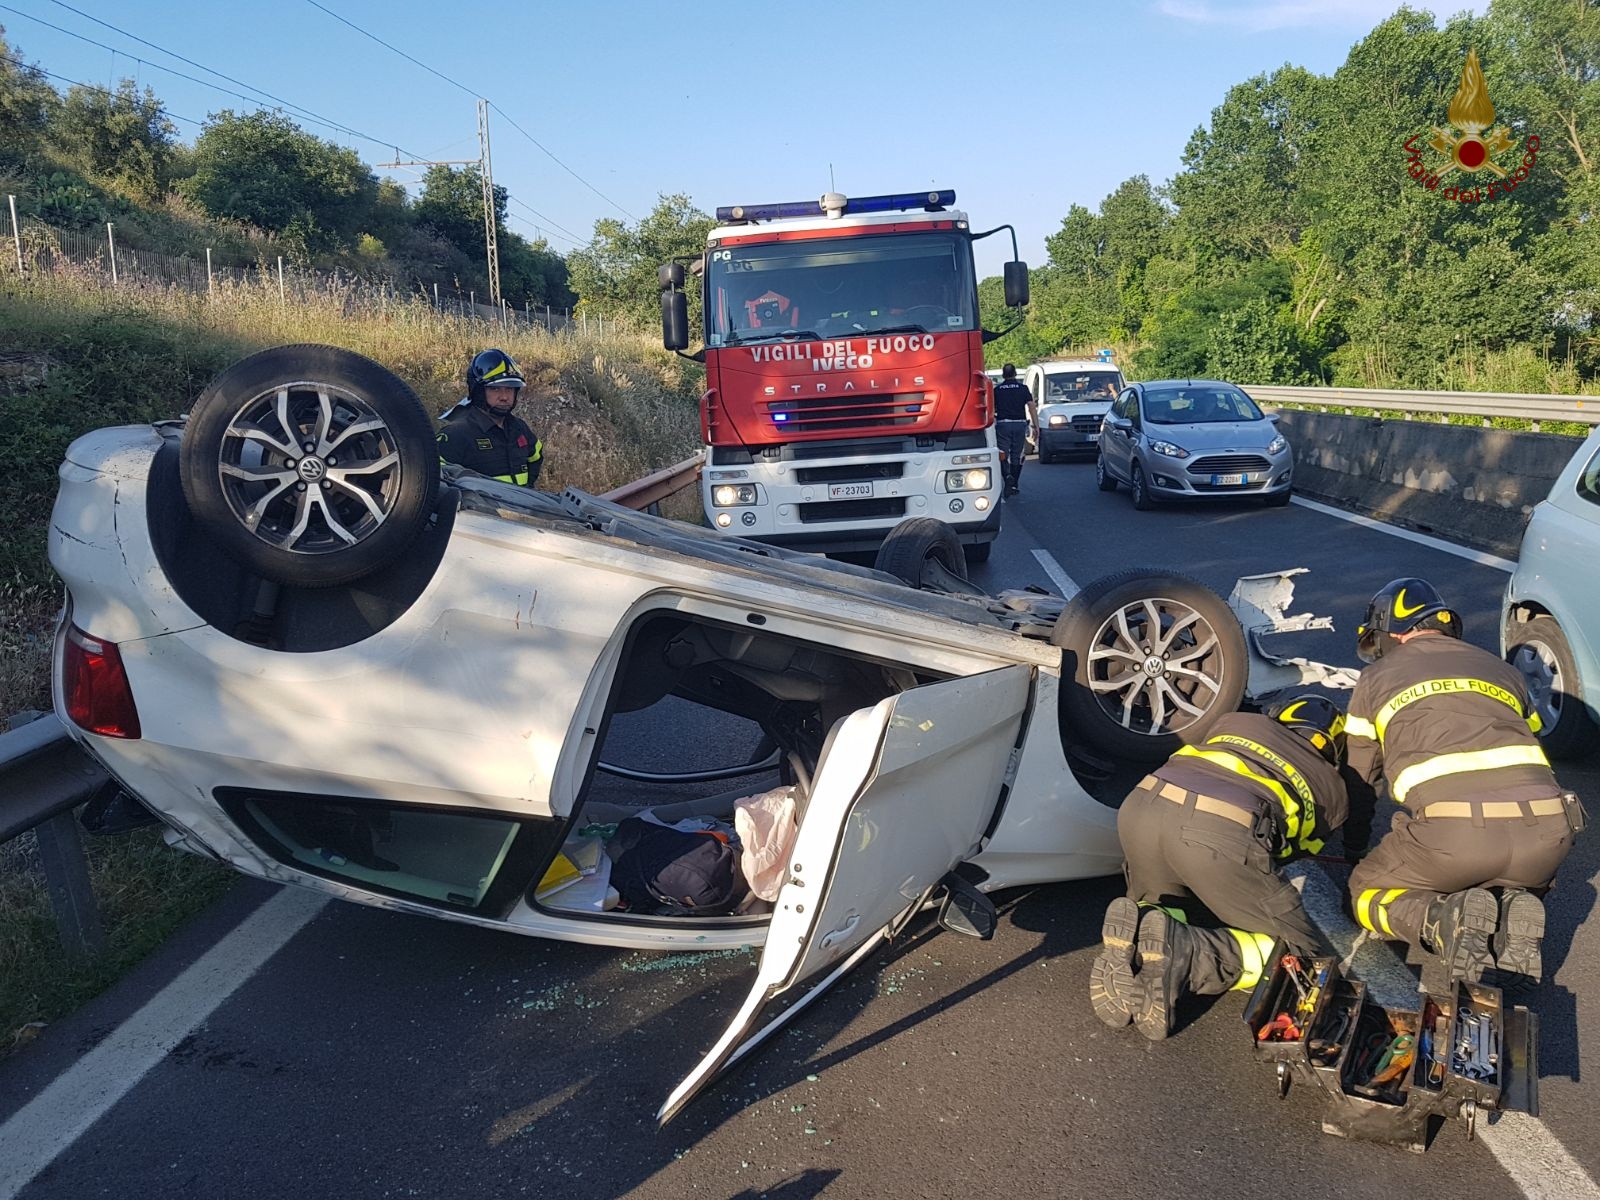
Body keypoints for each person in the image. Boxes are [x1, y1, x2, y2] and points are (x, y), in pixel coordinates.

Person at [1343, 578, 1581, 985]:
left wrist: (1355, 847)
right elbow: (1534, 734)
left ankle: (1439, 920)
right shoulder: (1502, 670)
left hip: (1454, 839)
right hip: (1547, 836)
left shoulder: (1375, 679)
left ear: (1390, 634)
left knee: (1362, 892)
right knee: (1495, 871)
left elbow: (1361, 779)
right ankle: (1510, 905)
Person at [1090, 695, 1367, 1040]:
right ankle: (1195, 956)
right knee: (1305, 960)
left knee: (1169, 905)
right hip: (1220, 833)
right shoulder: (1333, 788)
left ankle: (1138, 937)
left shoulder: (1235, 722)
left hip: (1141, 807)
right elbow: (1286, 854)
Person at [437, 348, 544, 488]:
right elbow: (435, 479)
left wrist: (528, 489)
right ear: (479, 391)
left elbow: (536, 456)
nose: (504, 397)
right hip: (480, 510)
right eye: (495, 389)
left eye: (510, 389)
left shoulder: (519, 428)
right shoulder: (455, 434)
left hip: (523, 508)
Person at [992, 364, 1036, 497]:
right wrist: (1036, 425)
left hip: (1003, 425)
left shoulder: (997, 390)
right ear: (1015, 373)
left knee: (1002, 454)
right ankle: (1015, 482)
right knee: (1017, 455)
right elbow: (1031, 406)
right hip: (1019, 424)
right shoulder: (1023, 388)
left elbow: (991, 409)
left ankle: (1007, 478)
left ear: (1003, 375)